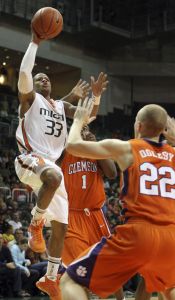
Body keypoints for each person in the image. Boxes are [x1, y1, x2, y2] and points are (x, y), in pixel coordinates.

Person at [15, 28, 108, 299]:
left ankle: (51, 277)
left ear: (51, 86)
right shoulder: (30, 100)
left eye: (45, 78)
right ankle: (34, 224)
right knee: (55, 176)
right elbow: (23, 75)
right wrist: (34, 42)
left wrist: (97, 96)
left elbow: (87, 115)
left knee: (62, 225)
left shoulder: (59, 107)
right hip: (30, 159)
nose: (42, 80)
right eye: (38, 78)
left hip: (51, 166)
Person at [60, 100, 175, 300]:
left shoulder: (127, 148)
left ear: (138, 126)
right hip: (171, 237)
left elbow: (72, 146)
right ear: (164, 129)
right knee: (169, 290)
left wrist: (78, 120)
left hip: (138, 234)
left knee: (70, 281)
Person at [60, 125, 124, 300]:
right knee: (78, 269)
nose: (84, 132)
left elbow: (112, 173)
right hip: (72, 216)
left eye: (86, 129)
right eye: (80, 128)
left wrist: (95, 146)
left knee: (110, 265)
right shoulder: (64, 150)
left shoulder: (96, 151)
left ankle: (121, 298)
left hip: (96, 216)